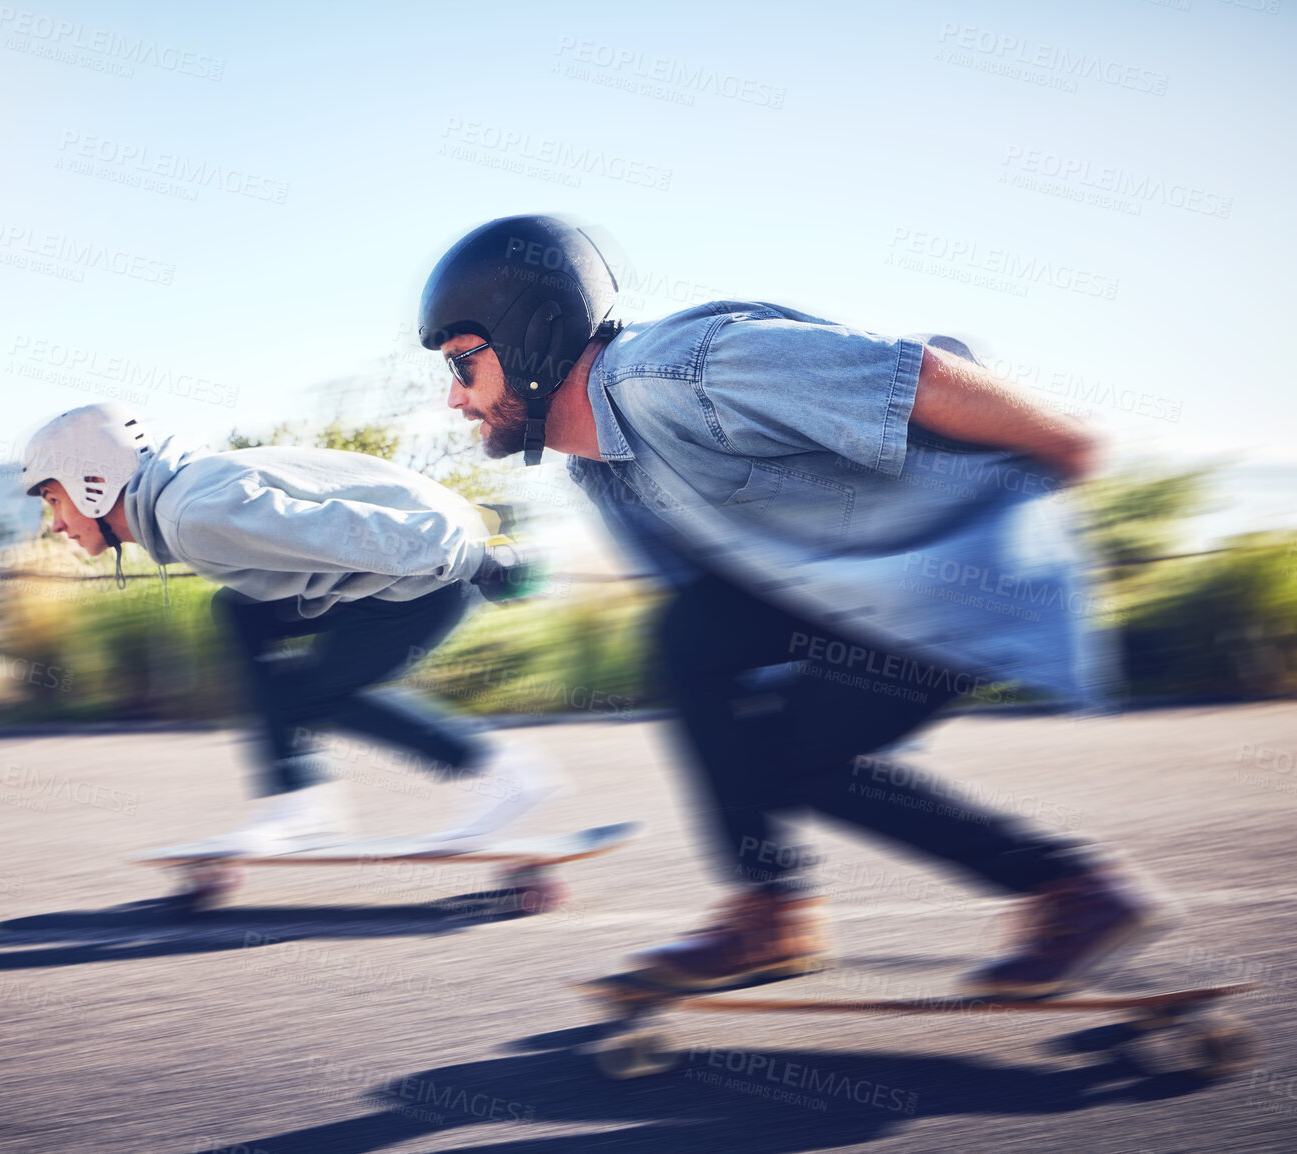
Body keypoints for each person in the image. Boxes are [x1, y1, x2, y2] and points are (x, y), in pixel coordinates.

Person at [417, 214, 1164, 997]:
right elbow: (715, 618)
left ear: (529, 335)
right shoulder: (605, 471)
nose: (453, 398)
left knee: (788, 746)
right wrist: (750, 751)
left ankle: (1075, 892)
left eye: (463, 365)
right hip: (855, 596)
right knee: (698, 649)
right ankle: (771, 912)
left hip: (957, 576)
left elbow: (918, 376)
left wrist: (1066, 444)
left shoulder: (682, 370)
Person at [18, 402, 560, 855]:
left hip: (428, 575)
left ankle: (502, 771)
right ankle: (299, 806)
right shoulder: (185, 501)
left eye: (52, 498)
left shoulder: (192, 516)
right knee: (238, 613)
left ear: (93, 481)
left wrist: (472, 555)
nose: (56, 523)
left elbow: (341, 528)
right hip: (409, 562)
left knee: (310, 695)